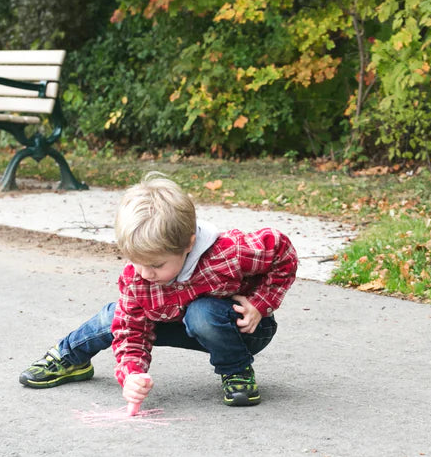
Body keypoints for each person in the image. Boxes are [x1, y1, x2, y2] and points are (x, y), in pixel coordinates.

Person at [19, 172, 297, 408]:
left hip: (244, 329)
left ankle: (237, 371)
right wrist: (131, 374)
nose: (145, 273)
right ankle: (71, 357)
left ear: (188, 244)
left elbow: (281, 251)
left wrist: (260, 303)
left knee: (201, 312)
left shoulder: (228, 253)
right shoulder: (137, 277)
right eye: (136, 261)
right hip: (177, 322)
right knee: (116, 315)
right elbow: (131, 331)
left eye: (156, 265)